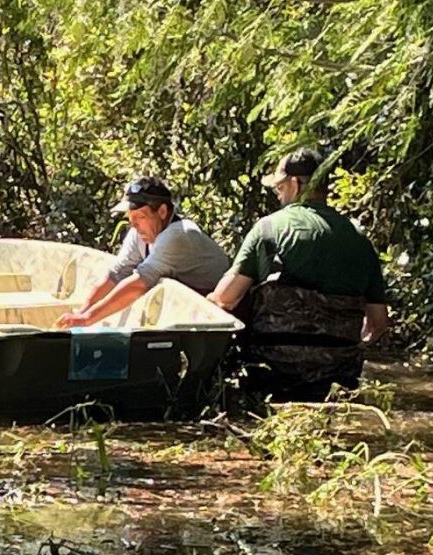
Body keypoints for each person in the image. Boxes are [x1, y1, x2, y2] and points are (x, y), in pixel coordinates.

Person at [205, 148, 390, 399]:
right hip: (338, 380)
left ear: (295, 184)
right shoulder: (360, 241)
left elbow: (224, 300)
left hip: (273, 376)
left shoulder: (268, 229)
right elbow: (378, 323)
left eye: (279, 188)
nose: (279, 195)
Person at [56, 177, 231, 328]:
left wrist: (87, 319)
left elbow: (138, 284)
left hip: (218, 314)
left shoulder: (178, 235)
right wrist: (81, 312)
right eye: (130, 218)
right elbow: (116, 275)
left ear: (162, 212)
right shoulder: (140, 233)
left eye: (140, 217)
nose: (134, 225)